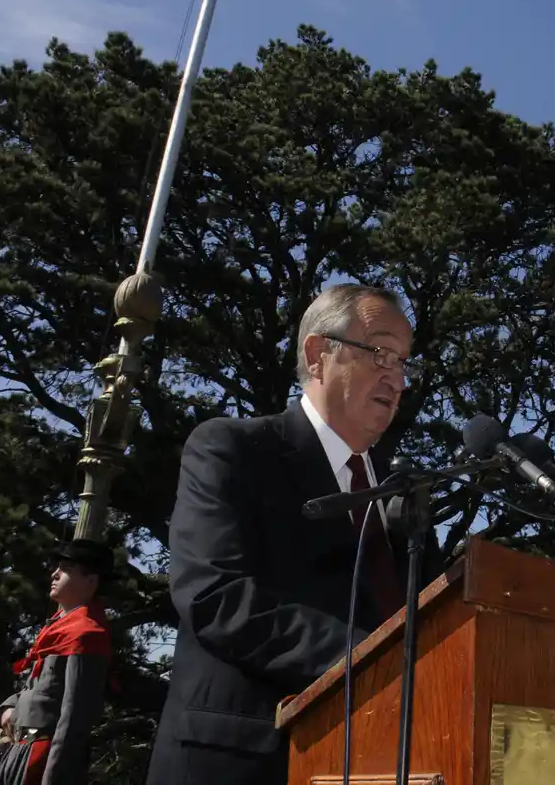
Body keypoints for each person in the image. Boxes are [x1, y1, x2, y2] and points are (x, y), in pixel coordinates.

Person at [147, 284, 441, 785]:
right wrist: (375, 661)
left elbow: (433, 615)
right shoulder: (233, 448)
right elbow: (216, 596)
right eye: (380, 352)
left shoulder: (398, 489)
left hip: (378, 761)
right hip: (244, 761)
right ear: (317, 354)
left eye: (403, 362)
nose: (396, 376)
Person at [0, 539, 115, 785]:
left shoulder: (86, 634)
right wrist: (9, 707)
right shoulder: (58, 627)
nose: (55, 573)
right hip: (22, 748)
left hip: (45, 755)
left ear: (90, 581)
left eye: (66, 569)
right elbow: (35, 686)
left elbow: (73, 720)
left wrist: (53, 776)